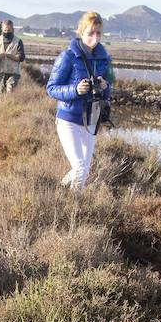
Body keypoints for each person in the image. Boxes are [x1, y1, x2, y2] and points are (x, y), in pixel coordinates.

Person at [46, 11, 112, 189]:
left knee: (84, 169)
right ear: (81, 32)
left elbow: (108, 91)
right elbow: (51, 88)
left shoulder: (104, 59)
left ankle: (59, 192)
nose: (95, 38)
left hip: (90, 119)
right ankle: (74, 206)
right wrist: (75, 89)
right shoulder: (67, 57)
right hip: (68, 118)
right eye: (91, 33)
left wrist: (105, 87)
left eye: (98, 33)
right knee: (80, 167)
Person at [0, 20, 25, 93]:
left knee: (10, 91)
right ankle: (3, 105)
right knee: (0, 92)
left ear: (13, 30)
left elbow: (20, 57)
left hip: (13, 73)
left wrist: (6, 55)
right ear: (2, 30)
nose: (7, 32)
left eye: (9, 30)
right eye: (5, 30)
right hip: (0, 72)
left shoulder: (18, 41)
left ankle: (10, 104)